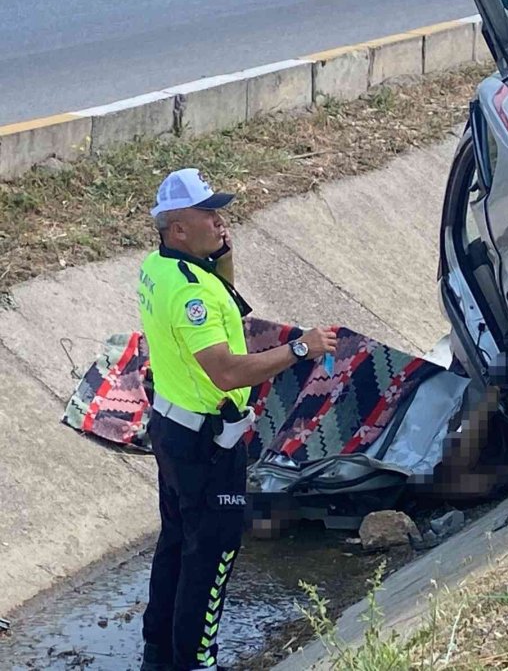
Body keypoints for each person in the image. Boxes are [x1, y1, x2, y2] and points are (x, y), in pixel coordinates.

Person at [137, 168, 337, 671]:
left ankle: (157, 654)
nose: (220, 221)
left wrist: (221, 260)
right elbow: (226, 371)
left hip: (172, 427)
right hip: (205, 442)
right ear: (178, 228)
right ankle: (198, 662)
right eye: (209, 214)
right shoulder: (191, 293)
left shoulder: (161, 268)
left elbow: (222, 305)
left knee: (178, 540)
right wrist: (299, 348)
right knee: (214, 552)